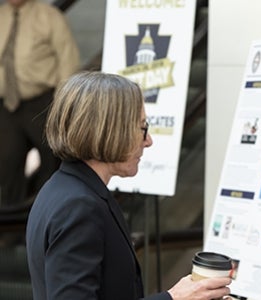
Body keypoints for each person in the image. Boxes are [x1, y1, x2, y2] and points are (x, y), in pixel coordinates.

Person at [25, 72, 232, 300]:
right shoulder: (79, 206)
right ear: (111, 129)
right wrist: (174, 298)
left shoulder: (61, 188)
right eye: (142, 127)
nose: (149, 140)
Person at [0, 0, 80, 207]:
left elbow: (67, 60)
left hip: (43, 102)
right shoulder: (1, 16)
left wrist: (62, 104)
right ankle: (10, 228)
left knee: (53, 159)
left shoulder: (49, 16)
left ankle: (48, 214)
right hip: (6, 105)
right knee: (8, 162)